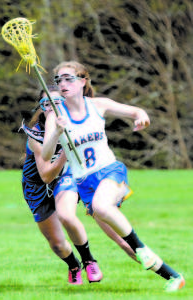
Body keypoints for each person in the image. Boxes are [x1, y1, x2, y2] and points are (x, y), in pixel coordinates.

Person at [41, 61, 185, 292]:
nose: (63, 84)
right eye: (59, 80)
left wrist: (141, 117)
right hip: (84, 184)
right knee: (122, 241)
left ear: (83, 81)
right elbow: (47, 154)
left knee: (101, 206)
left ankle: (141, 248)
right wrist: (56, 132)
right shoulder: (55, 117)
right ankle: (174, 277)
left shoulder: (98, 105)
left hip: (109, 171)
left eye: (69, 78)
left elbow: (136, 111)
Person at [21, 85, 103, 285]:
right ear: (41, 107)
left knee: (67, 215)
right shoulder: (36, 135)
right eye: (46, 103)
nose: (51, 107)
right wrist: (66, 152)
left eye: (57, 102)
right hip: (38, 187)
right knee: (57, 244)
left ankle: (88, 260)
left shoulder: (78, 125)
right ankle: (73, 265)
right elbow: (47, 176)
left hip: (65, 179)